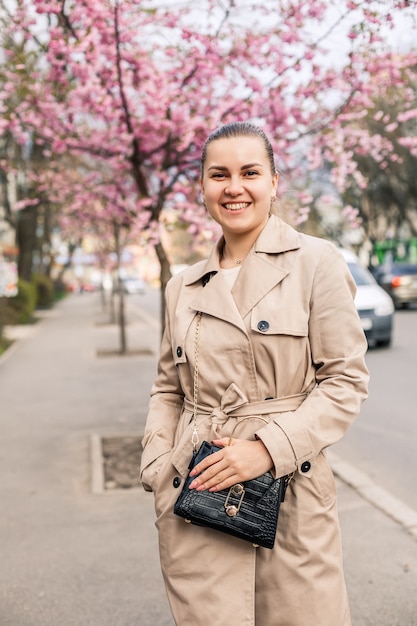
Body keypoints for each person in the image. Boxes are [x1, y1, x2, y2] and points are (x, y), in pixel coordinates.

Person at [140, 121, 369, 626]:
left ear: (273, 182)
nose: (234, 187)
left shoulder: (316, 262)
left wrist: (266, 449)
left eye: (250, 172)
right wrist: (158, 465)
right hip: (198, 491)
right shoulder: (183, 286)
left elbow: (345, 382)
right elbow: (167, 390)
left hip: (289, 491)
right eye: (218, 175)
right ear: (201, 187)